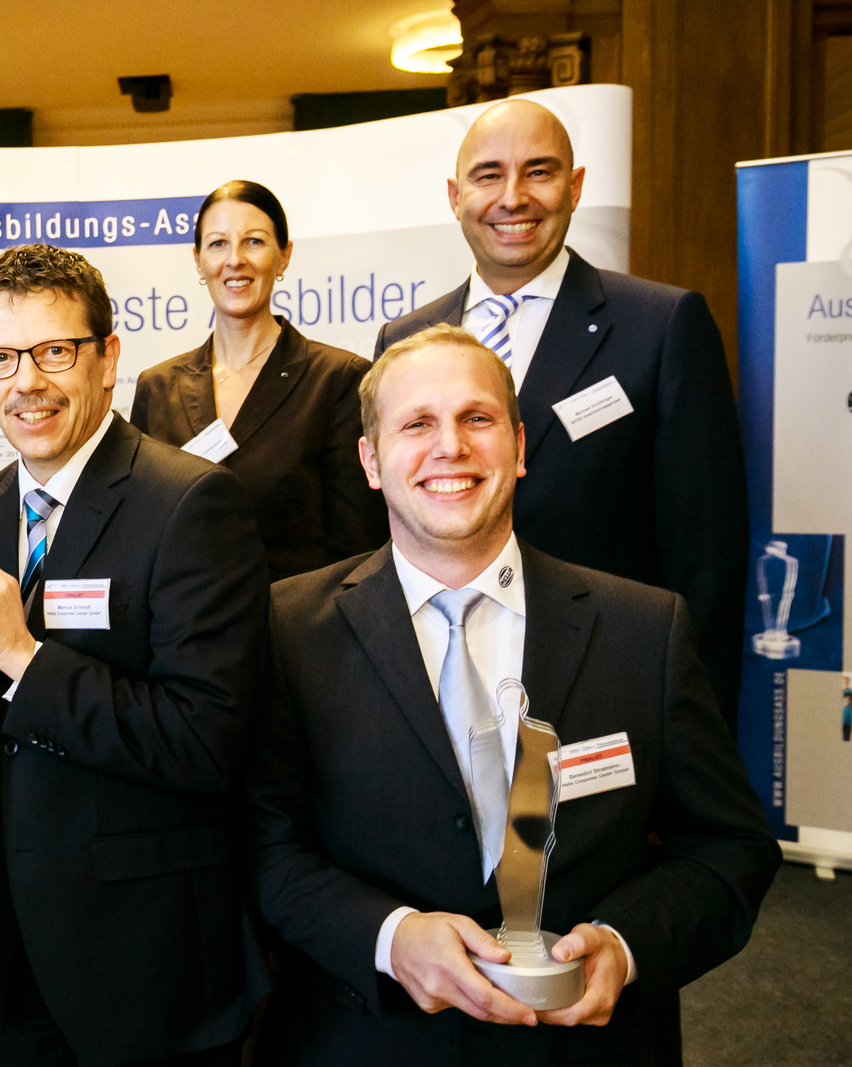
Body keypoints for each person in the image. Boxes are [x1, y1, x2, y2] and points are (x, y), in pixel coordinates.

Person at [246, 324, 780, 1065]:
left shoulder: (643, 629)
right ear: (370, 460)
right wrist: (390, 936)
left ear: (520, 447)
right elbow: (262, 847)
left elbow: (730, 848)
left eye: (477, 418)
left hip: (588, 1046)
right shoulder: (284, 628)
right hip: (368, 1040)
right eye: (417, 424)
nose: (450, 447)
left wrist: (625, 946)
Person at [0, 243, 271, 1066]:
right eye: (1, 358)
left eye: (54, 351)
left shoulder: (191, 502)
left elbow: (207, 740)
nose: (26, 382)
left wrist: (27, 658)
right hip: (2, 965)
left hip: (143, 969)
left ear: (108, 357)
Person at [373, 98, 749, 736]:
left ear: (574, 188)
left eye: (539, 172)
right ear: (455, 196)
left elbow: (707, 555)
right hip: (438, 686)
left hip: (610, 685)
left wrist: (691, 728)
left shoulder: (661, 326)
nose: (512, 197)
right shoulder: (404, 339)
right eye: (488, 175)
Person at [131, 181, 387, 580]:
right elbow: (141, 531)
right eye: (218, 244)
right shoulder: (158, 387)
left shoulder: (338, 380)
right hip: (183, 615)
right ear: (198, 260)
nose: (235, 260)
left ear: (283, 256)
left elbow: (358, 549)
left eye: (254, 242)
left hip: (296, 615)